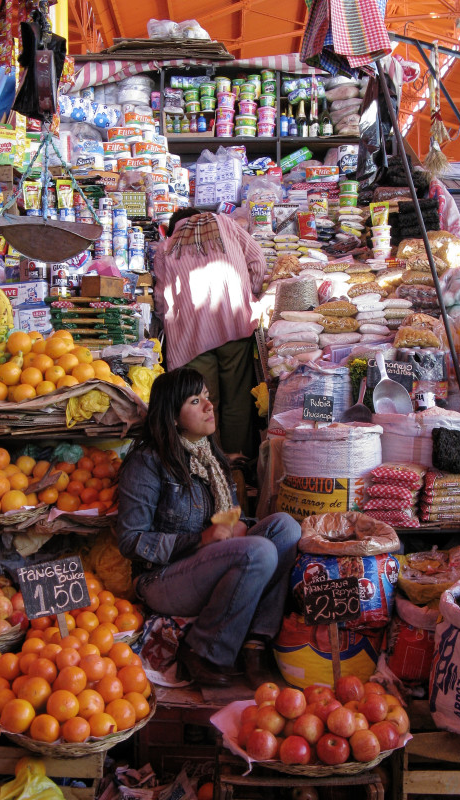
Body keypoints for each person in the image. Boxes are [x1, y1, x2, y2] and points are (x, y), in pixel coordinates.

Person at [116, 367, 300, 688]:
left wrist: (237, 528)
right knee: (258, 551)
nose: (208, 406)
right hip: (162, 577)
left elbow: (225, 521)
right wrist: (199, 540)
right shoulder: (147, 462)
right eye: (195, 400)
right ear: (173, 417)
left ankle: (255, 644)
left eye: (207, 397)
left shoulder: (211, 457)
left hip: (209, 564)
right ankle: (204, 650)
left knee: (285, 528)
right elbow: (131, 540)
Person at [153, 209, 265, 458]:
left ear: (174, 228)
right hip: (235, 323)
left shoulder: (166, 247)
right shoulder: (226, 225)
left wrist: (167, 322)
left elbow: (161, 298)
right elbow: (258, 260)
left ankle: (208, 465)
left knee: (203, 403)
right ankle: (239, 467)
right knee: (237, 400)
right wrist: (250, 294)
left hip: (190, 337)